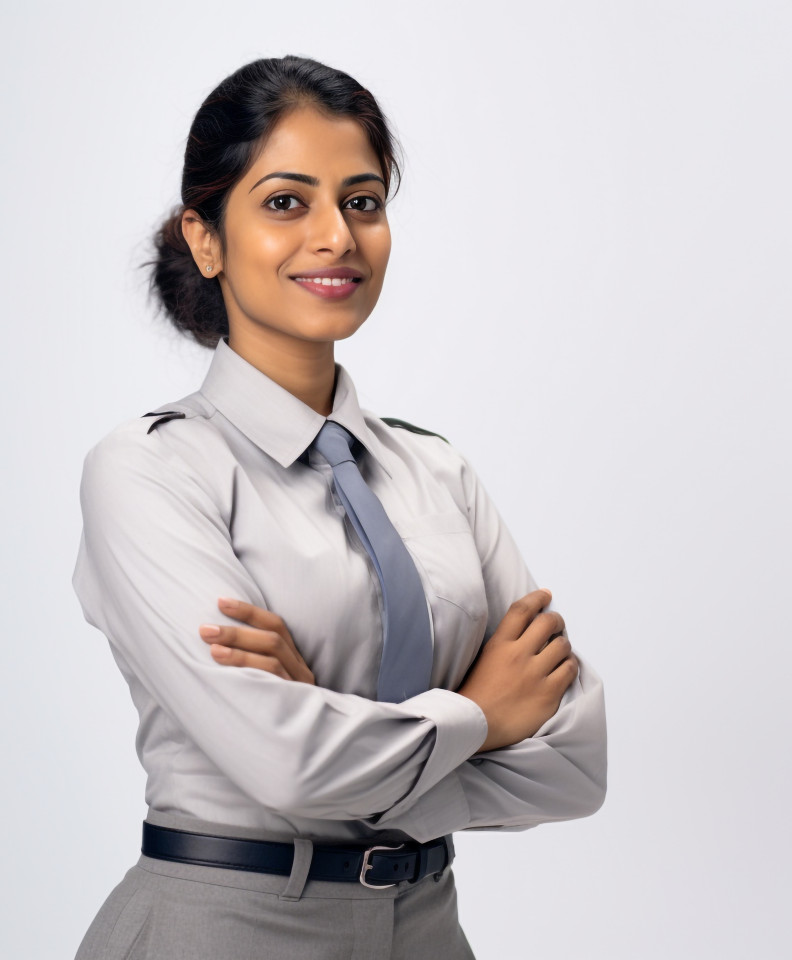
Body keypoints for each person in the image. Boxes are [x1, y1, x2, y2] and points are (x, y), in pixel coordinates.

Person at [71, 55, 607, 960]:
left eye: (362, 201)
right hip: (229, 925)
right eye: (287, 202)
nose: (338, 236)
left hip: (428, 928)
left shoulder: (437, 471)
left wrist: (331, 725)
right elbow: (285, 763)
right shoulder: (151, 472)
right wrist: (476, 716)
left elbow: (574, 764)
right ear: (206, 238)